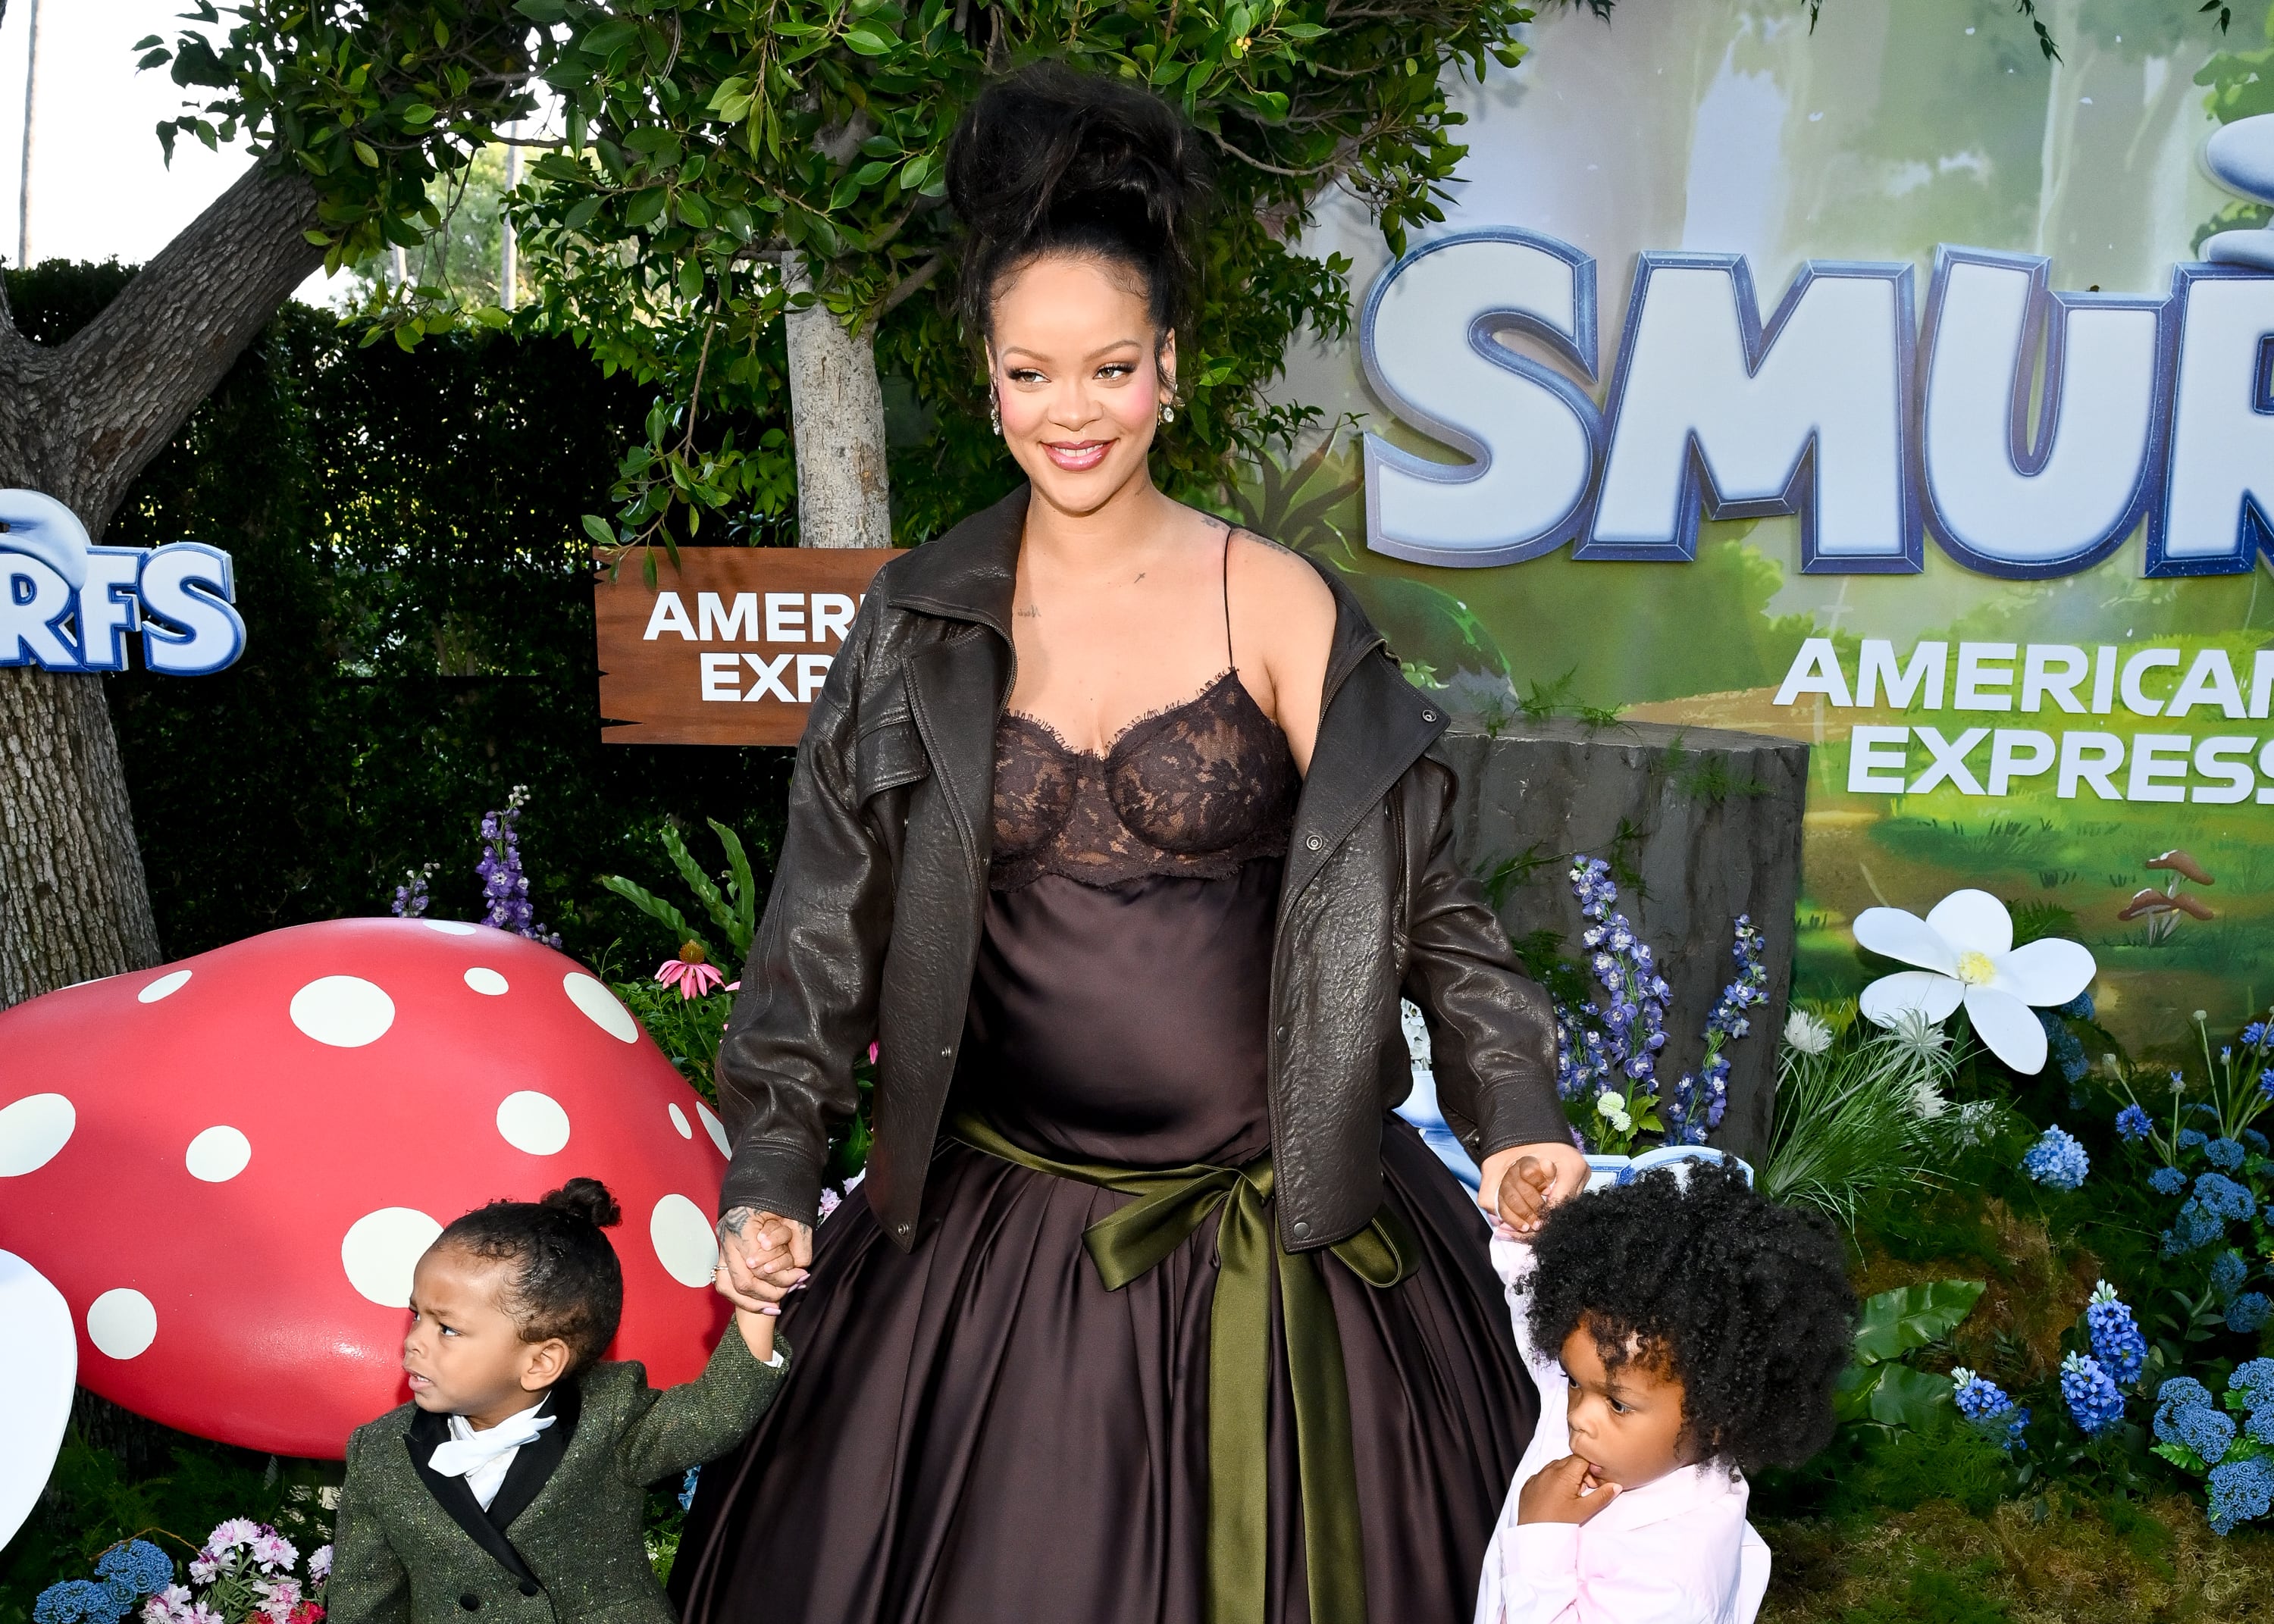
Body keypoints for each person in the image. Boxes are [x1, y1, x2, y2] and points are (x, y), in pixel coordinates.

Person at [672, 61, 1588, 1624]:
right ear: (987, 383)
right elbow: (820, 934)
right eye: (1032, 376)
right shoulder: (916, 621)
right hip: (995, 1241)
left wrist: (1511, 1108)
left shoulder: (1278, 602)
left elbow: (1431, 903)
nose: (1070, 412)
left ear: (1168, 368)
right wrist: (770, 1169)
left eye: (1107, 369)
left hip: (1284, 1230)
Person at [327, 1180, 789, 1624]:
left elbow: (712, 1416)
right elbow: (364, 1600)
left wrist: (753, 1311)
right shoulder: (380, 1451)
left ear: (541, 1362)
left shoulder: (610, 1417)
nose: (414, 1343)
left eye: (447, 1328)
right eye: (416, 1316)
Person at [1474, 1159, 1856, 1624]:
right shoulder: (1623, 1403)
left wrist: (1539, 1537)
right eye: (1573, 1380)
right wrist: (1527, 1212)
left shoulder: (1673, 1579)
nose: (1577, 1416)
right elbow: (1528, 1282)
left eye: (1616, 1404)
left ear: (1714, 1416)